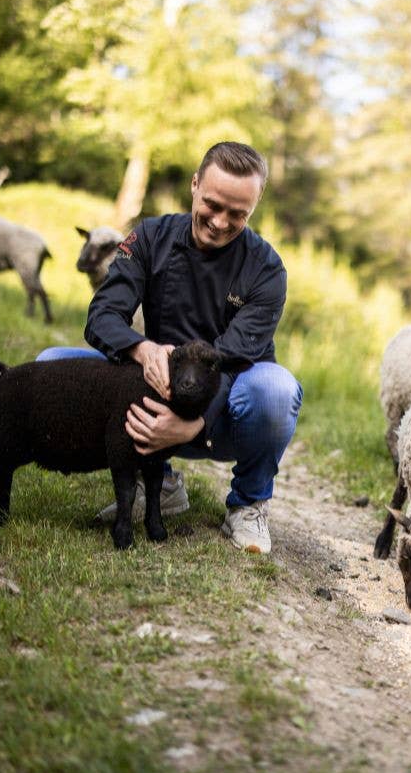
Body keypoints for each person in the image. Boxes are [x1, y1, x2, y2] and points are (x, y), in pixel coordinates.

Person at [36, 142, 302, 554]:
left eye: (238, 214)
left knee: (276, 389)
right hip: (149, 391)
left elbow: (231, 356)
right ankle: (158, 481)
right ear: (195, 185)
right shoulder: (148, 237)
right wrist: (143, 350)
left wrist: (197, 424)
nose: (219, 222)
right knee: (49, 365)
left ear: (255, 206)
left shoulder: (267, 269)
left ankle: (248, 503)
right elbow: (102, 316)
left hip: (224, 413)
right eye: (212, 204)